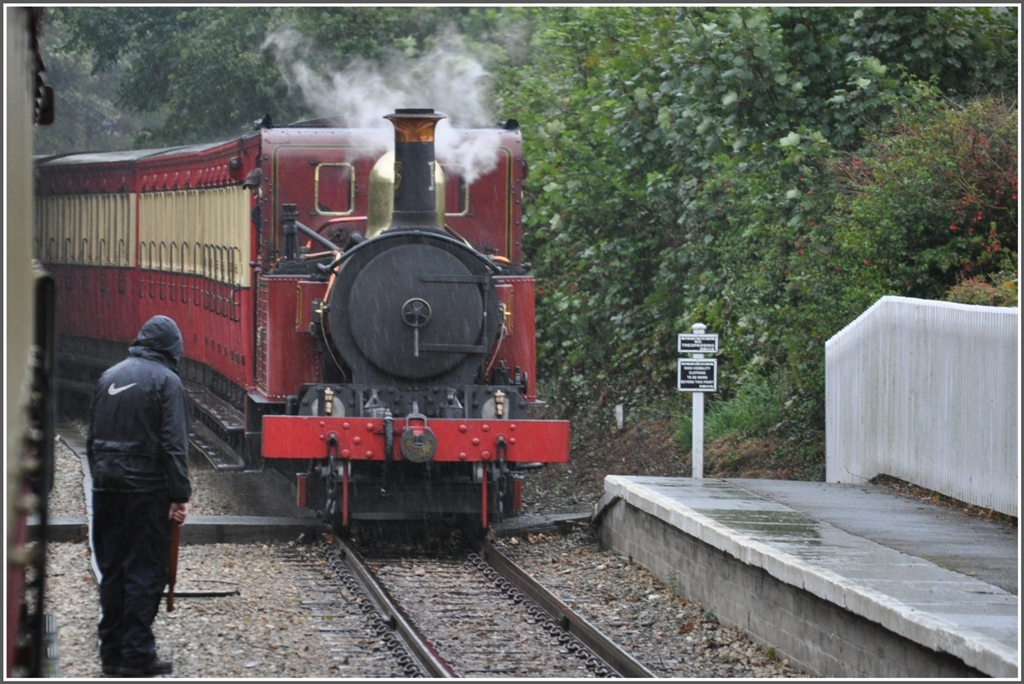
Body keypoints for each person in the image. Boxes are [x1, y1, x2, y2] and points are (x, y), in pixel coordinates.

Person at [87, 315, 191, 677]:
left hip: (105, 487)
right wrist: (179, 495)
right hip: (147, 491)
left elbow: (91, 438)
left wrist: (101, 477)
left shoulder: (108, 377)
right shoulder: (167, 382)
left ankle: (111, 654)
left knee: (112, 569)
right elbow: (174, 446)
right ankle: (136, 655)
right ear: (172, 350)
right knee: (145, 572)